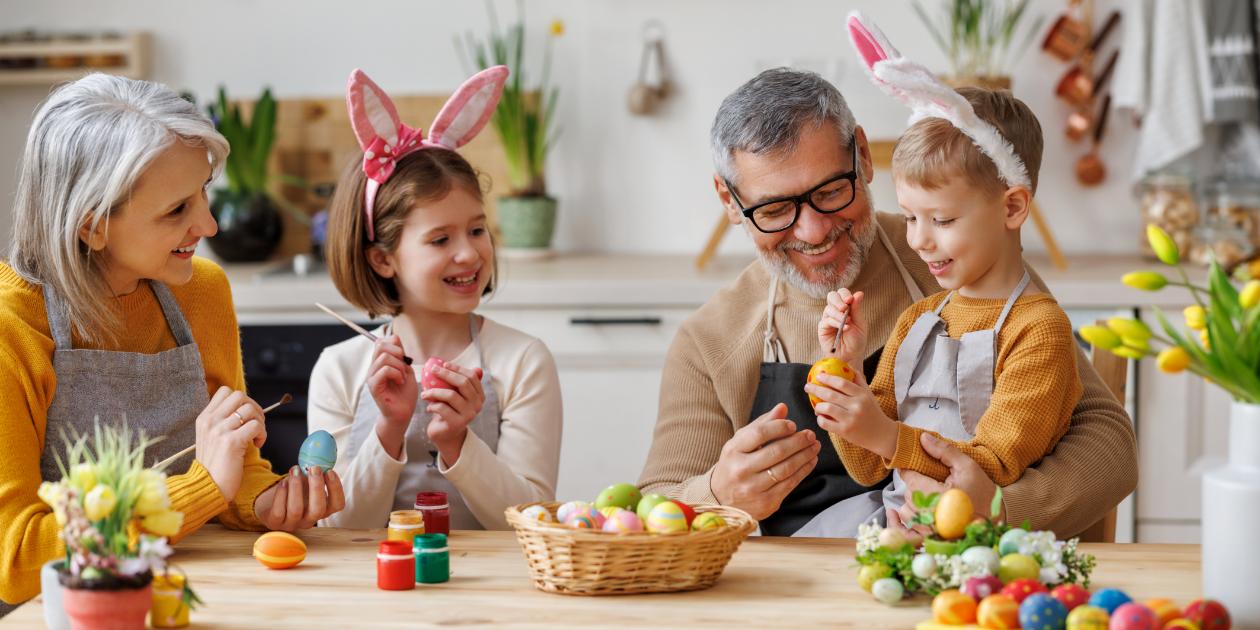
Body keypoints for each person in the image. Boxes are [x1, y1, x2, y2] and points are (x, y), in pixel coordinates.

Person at [636, 66, 1137, 537]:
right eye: (776, 209)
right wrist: (719, 495)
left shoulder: (959, 263)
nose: (814, 232)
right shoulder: (711, 340)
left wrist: (990, 512)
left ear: (861, 155)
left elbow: (1109, 443)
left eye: (831, 190)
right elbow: (651, 508)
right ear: (729, 201)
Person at [0, 73, 343, 610]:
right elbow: (15, 559)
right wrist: (202, 488)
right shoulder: (10, 328)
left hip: (187, 593)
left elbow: (232, 464)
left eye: (204, 193)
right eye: (176, 210)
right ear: (92, 227)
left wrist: (266, 500)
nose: (208, 224)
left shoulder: (201, 292)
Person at [801, 14, 1081, 536]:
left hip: (980, 545)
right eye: (910, 217)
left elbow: (989, 468)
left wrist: (887, 436)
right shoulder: (918, 320)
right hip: (897, 525)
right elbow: (867, 468)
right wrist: (845, 376)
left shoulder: (1038, 330)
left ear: (1013, 207)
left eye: (943, 220)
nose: (919, 239)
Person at [308, 68, 562, 530]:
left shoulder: (524, 360)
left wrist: (457, 444)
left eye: (477, 229)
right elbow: (337, 531)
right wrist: (389, 428)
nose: (469, 253)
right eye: (440, 239)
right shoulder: (338, 370)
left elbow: (532, 522)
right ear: (384, 260)